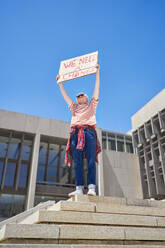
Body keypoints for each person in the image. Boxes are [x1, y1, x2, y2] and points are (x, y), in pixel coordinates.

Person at [56, 64, 101, 197]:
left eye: (82, 95)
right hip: (75, 134)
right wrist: (60, 83)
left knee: (91, 160)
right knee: (77, 162)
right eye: (78, 96)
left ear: (87, 98)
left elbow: (96, 88)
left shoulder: (92, 105)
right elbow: (65, 97)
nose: (80, 97)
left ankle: (92, 188)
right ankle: (79, 188)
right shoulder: (74, 107)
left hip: (89, 133)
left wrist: (97, 72)